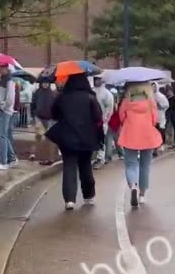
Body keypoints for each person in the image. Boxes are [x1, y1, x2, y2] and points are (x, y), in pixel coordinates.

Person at [48, 73, 102, 210]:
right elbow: (97, 117)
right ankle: (88, 195)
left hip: (67, 137)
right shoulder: (90, 97)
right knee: (85, 166)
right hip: (86, 137)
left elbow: (54, 114)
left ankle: (69, 199)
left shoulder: (62, 97)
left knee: (69, 166)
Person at [117, 82, 162, 208]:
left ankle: (133, 186)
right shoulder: (150, 102)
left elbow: (121, 117)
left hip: (130, 135)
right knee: (145, 165)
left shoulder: (126, 101)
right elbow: (154, 120)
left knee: (131, 164)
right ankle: (142, 195)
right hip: (147, 135)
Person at [0, 65, 19, 170]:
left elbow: (10, 99)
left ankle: (3, 161)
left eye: (1, 68)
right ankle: (11, 158)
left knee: (2, 135)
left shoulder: (9, 80)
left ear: (7, 69)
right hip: (1, 110)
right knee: (4, 135)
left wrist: (2, 107)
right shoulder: (2, 80)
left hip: (5, 111)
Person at [31, 78, 57, 164]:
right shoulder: (37, 93)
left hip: (50, 119)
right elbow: (33, 104)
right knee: (38, 136)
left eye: (47, 83)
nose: (45, 84)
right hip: (39, 118)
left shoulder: (53, 94)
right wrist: (34, 116)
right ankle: (33, 153)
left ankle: (50, 157)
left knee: (49, 139)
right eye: (44, 83)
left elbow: (55, 106)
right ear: (41, 83)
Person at [93, 77, 116, 166]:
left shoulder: (107, 94)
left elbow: (109, 108)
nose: (96, 81)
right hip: (91, 121)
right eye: (95, 79)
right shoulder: (91, 91)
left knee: (101, 139)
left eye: (98, 79)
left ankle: (100, 158)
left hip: (101, 121)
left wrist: (105, 119)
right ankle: (96, 157)